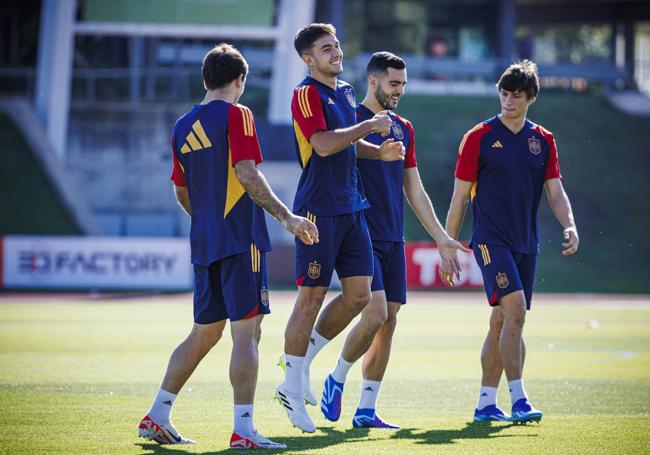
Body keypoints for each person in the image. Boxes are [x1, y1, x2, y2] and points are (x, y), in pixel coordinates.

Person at [137, 43, 318, 449]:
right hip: (240, 239)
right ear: (240, 81)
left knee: (204, 332)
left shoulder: (182, 125)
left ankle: (158, 414)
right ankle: (243, 429)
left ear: (206, 79)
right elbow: (247, 173)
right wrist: (286, 217)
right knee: (247, 334)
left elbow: (181, 191)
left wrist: (205, 223)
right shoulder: (239, 114)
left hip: (204, 241)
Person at [304, 51, 470, 428]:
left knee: (388, 321)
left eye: (403, 85)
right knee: (374, 312)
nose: (399, 91)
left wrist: (442, 239)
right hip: (359, 233)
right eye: (394, 84)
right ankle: (335, 378)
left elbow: (414, 189)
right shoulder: (352, 122)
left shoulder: (404, 128)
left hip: (393, 235)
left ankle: (366, 409)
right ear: (374, 81)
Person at [275, 24, 405, 433]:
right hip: (317, 209)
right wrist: (369, 129)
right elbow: (324, 144)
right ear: (307, 59)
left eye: (336, 45)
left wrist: (376, 152)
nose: (336, 52)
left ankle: (300, 366)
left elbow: (347, 143)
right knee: (310, 298)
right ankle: (293, 390)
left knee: (359, 296)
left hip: (352, 208)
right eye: (325, 48)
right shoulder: (305, 93)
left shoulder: (346, 91)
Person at [443, 60, 579, 424]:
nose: (508, 101)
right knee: (515, 310)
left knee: (502, 321)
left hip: (526, 242)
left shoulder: (543, 140)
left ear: (530, 98)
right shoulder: (479, 137)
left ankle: (486, 404)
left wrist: (570, 224)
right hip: (490, 240)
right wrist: (447, 244)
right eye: (504, 93)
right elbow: (459, 198)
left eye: (516, 95)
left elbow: (555, 192)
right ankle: (519, 399)